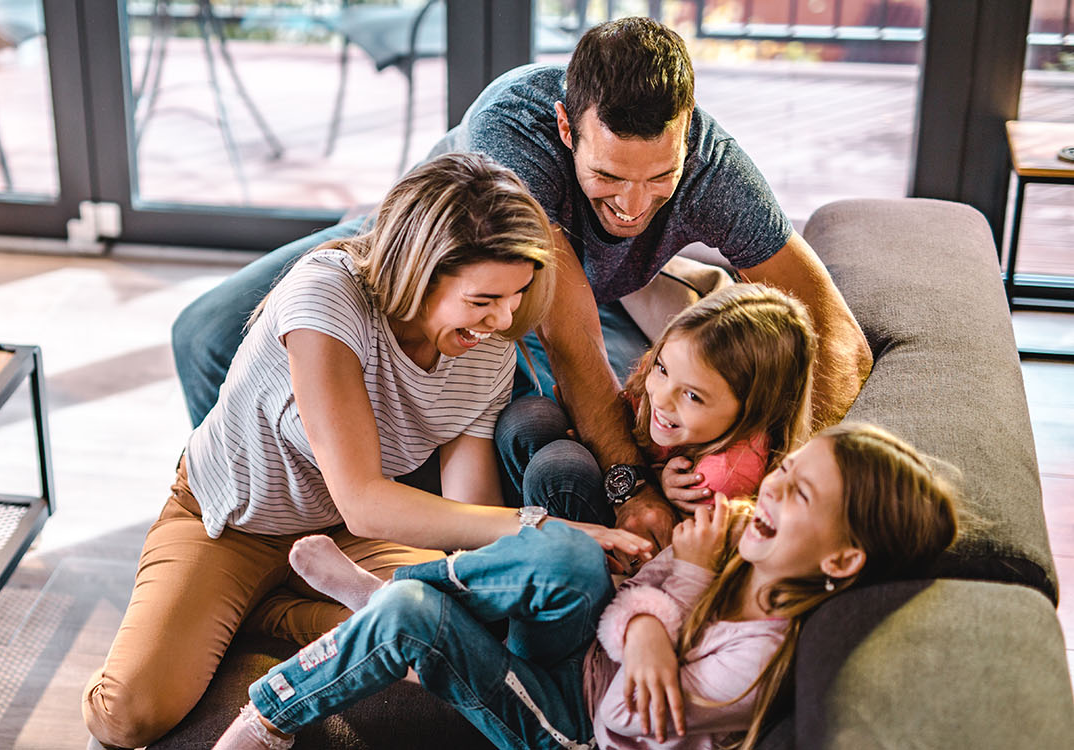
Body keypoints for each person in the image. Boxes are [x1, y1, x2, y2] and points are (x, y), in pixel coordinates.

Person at [170, 17, 873, 554]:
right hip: (420, 250)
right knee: (203, 334)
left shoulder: (715, 169)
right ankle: (267, 535)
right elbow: (568, 339)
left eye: (660, 179)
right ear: (568, 128)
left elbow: (838, 333)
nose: (633, 207)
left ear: (687, 133)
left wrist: (778, 473)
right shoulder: (515, 131)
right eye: (607, 178)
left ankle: (372, 524)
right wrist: (631, 490)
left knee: (631, 404)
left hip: (573, 297)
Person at [83, 153, 654, 749]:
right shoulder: (327, 298)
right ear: (419, 272)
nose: (505, 318)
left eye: (517, 296)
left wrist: (538, 557)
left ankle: (284, 604)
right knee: (130, 715)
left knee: (458, 636)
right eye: (484, 298)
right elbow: (362, 498)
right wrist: (545, 527)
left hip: (352, 538)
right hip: (236, 522)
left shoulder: (485, 345)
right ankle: (268, 605)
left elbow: (469, 510)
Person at [213, 423, 959, 750]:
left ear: (840, 561)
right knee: (569, 555)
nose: (771, 491)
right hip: (583, 658)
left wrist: (675, 589)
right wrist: (651, 599)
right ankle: (397, 590)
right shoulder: (734, 544)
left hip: (574, 725)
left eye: (799, 498)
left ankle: (270, 716)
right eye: (786, 472)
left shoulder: (756, 659)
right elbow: (622, 622)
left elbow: (632, 718)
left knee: (412, 616)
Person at [500, 284, 817, 529]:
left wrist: (663, 490)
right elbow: (629, 412)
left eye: (692, 396)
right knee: (527, 417)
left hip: (635, 552)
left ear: (754, 411)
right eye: (662, 369)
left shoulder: (723, 477)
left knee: (558, 469)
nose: (661, 398)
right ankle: (505, 527)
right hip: (626, 482)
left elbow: (672, 546)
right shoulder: (659, 382)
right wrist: (591, 431)